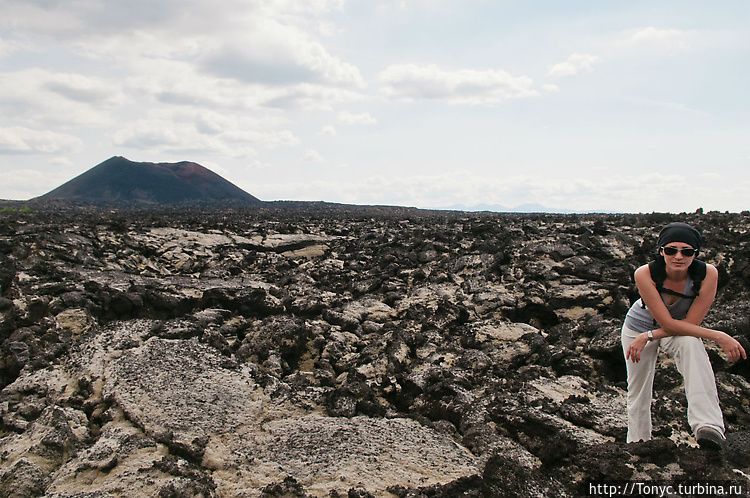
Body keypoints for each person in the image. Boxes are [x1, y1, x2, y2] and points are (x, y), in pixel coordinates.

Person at [621, 222, 746, 449]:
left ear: (695, 254)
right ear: (661, 251)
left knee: (690, 342)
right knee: (638, 389)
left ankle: (709, 426)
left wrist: (649, 336)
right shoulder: (644, 273)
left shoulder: (707, 274)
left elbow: (688, 325)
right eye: (671, 250)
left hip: (669, 330)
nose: (678, 256)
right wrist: (719, 335)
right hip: (638, 328)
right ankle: (638, 445)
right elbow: (667, 322)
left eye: (687, 251)